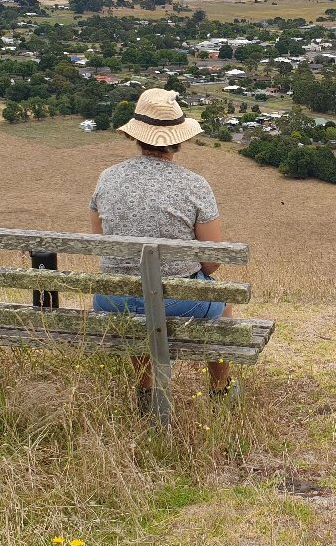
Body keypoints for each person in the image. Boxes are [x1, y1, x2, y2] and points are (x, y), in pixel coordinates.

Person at [89, 88, 238, 409]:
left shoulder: (107, 178)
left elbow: (102, 245)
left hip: (113, 300)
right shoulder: (195, 184)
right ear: (178, 138)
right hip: (177, 302)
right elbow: (212, 262)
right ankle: (221, 390)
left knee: (135, 299)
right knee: (222, 302)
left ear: (137, 135)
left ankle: (146, 390)